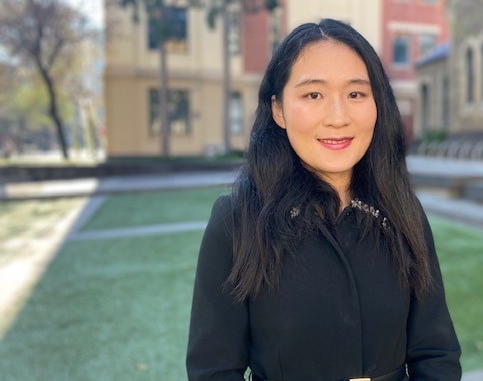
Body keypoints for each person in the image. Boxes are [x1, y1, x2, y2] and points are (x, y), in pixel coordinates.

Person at [187, 19, 461, 381]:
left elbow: (436, 354)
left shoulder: (402, 211)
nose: (338, 117)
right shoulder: (237, 222)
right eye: (313, 95)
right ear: (278, 110)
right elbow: (214, 370)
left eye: (356, 94)